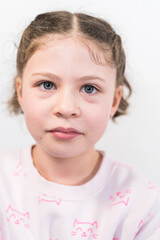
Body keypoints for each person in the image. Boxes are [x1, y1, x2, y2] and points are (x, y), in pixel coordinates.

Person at [0, 11, 160, 240]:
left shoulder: (143, 202)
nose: (66, 108)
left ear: (114, 101)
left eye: (89, 88)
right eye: (46, 84)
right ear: (21, 92)